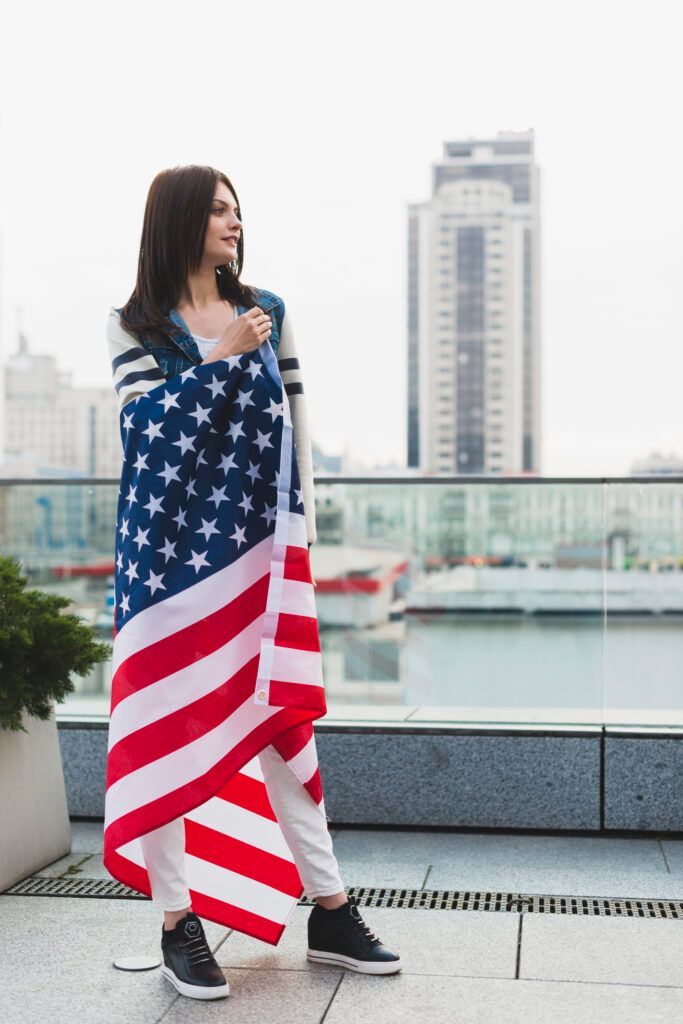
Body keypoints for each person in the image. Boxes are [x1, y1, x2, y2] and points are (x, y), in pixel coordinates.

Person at [106, 164, 401, 1000]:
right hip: (165, 566)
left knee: (282, 724)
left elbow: (293, 431)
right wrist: (219, 361)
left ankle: (332, 911)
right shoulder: (134, 326)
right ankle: (176, 922)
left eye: (236, 210)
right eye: (217, 211)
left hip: (259, 553)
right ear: (178, 222)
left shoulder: (267, 310)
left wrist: (301, 536)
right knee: (164, 730)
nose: (234, 223)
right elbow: (145, 434)